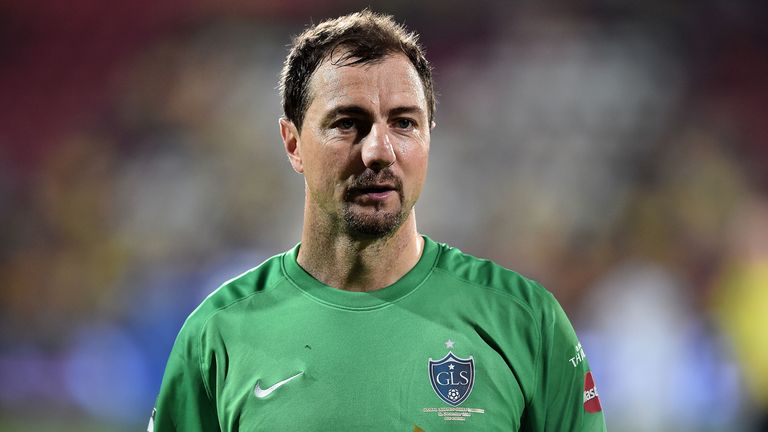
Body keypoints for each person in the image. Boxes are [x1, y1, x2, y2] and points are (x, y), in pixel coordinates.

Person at [150, 10, 607, 431]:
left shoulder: (525, 321)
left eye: (404, 123)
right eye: (348, 123)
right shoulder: (218, 334)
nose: (379, 151)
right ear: (292, 143)